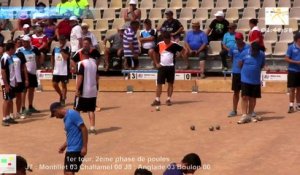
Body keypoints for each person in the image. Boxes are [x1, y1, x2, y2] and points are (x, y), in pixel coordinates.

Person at [50, 102, 88, 175]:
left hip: (76, 149)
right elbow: (71, 135)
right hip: (70, 149)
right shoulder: (66, 118)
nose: (56, 117)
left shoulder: (72, 114)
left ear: (56, 110)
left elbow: (84, 128)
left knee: (69, 173)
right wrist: (64, 145)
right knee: (67, 173)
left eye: (54, 114)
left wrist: (84, 146)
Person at [151, 32, 187, 106]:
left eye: (168, 40)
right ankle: (157, 99)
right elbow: (154, 52)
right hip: (162, 67)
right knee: (159, 84)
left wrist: (181, 55)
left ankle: (168, 99)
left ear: (169, 38)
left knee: (170, 83)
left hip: (171, 67)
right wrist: (156, 63)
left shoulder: (174, 44)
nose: (166, 41)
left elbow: (183, 50)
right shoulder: (160, 44)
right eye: (165, 40)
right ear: (163, 38)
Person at [238, 42, 265, 124]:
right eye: (253, 51)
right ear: (251, 48)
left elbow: (261, 65)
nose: (255, 53)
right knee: (244, 97)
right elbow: (240, 64)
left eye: (256, 51)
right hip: (245, 79)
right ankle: (244, 115)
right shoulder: (244, 53)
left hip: (255, 80)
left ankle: (250, 115)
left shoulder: (262, 55)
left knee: (253, 98)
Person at [74, 48, 98, 134]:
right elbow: (97, 77)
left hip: (83, 90)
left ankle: (77, 128)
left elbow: (80, 77)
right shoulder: (94, 64)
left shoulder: (82, 64)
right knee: (91, 110)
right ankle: (92, 128)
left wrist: (77, 89)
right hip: (93, 90)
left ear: (82, 55)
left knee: (77, 110)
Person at [227, 32, 250, 117]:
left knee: (246, 94)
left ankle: (248, 111)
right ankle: (234, 110)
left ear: (242, 38)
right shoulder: (232, 47)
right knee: (236, 92)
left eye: (239, 39)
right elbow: (231, 58)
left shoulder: (248, 47)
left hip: (245, 73)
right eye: (236, 39)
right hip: (236, 73)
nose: (237, 40)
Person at [17, 35, 41, 115]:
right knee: (24, 91)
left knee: (31, 90)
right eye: (23, 41)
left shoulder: (35, 49)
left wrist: (37, 67)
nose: (23, 43)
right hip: (24, 74)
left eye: (25, 42)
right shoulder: (19, 50)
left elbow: (38, 57)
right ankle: (23, 108)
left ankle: (30, 107)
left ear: (29, 42)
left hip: (33, 73)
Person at [0, 43, 18, 126]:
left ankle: (8, 117)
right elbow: (3, 72)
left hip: (11, 82)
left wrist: (15, 81)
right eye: (14, 48)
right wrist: (6, 85)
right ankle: (4, 119)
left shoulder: (10, 57)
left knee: (10, 100)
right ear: (10, 49)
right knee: (6, 100)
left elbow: (11, 71)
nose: (15, 50)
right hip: (6, 83)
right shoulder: (5, 57)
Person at [51, 35, 70, 106]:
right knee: (54, 84)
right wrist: (53, 67)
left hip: (64, 70)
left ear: (65, 41)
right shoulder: (55, 49)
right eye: (60, 40)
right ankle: (61, 95)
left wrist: (61, 50)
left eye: (63, 40)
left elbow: (65, 58)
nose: (61, 42)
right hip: (57, 70)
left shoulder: (67, 48)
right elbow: (52, 58)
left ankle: (63, 100)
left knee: (64, 86)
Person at [13, 39, 29, 119]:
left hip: (19, 78)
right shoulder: (8, 55)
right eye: (18, 43)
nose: (20, 44)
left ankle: (18, 112)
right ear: (15, 44)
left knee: (19, 96)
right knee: (9, 98)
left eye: (21, 43)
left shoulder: (21, 54)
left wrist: (26, 79)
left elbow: (24, 67)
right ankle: (10, 114)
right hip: (11, 80)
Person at [285, 32, 300, 113]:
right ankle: (291, 105)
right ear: (298, 39)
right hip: (292, 71)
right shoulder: (291, 48)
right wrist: (296, 62)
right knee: (292, 89)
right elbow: (286, 59)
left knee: (299, 89)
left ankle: (298, 105)